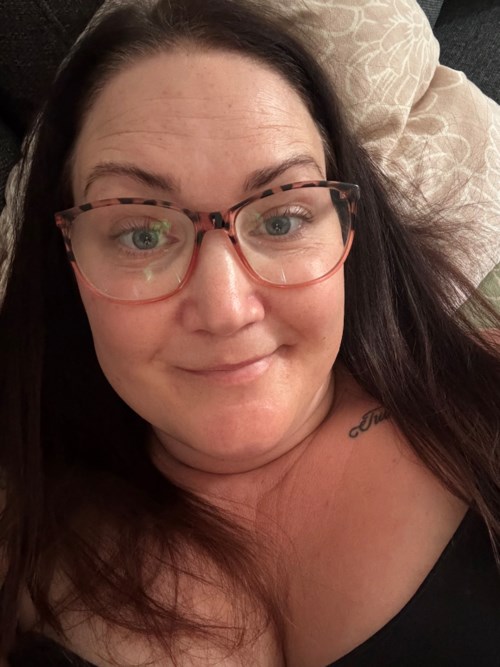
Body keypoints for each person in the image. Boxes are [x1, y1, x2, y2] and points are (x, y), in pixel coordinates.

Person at [0, 0, 499, 665]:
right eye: (142, 234)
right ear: (68, 264)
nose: (226, 309)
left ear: (348, 233)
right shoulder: (18, 533)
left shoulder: (483, 405)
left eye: (282, 219)